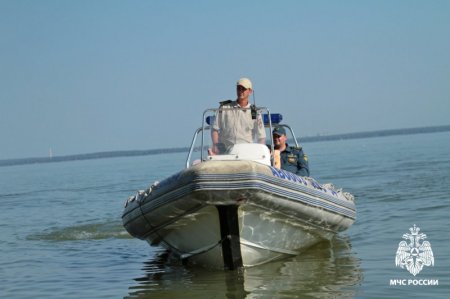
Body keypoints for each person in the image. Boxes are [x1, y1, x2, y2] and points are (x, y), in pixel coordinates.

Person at [209, 78, 266, 155]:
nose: (240, 91)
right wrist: (215, 145)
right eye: (238, 88)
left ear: (250, 91)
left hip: (247, 153)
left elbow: (261, 136)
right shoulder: (225, 108)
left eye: (243, 89)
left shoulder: (254, 112)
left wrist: (259, 152)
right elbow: (214, 129)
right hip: (226, 152)